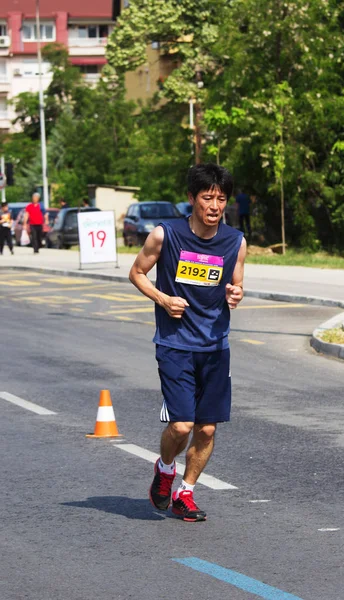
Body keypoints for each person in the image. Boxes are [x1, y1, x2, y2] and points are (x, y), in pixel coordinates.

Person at [129, 163, 246, 522]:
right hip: (175, 343)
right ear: (192, 199)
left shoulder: (235, 242)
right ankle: (165, 471)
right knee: (181, 425)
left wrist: (236, 293)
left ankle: (186, 492)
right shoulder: (165, 235)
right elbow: (136, 273)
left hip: (215, 345)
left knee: (207, 427)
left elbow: (237, 282)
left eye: (221, 199)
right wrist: (163, 299)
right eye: (207, 198)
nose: (214, 206)